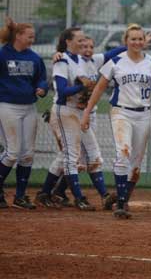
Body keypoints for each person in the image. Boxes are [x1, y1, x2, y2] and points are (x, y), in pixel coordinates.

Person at [36, 36, 126, 209]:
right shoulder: (64, 60)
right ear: (70, 43)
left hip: (83, 113)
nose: (87, 49)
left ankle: (56, 192)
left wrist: (131, 44)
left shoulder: (93, 60)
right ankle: (75, 197)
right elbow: (62, 91)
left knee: (89, 156)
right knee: (71, 156)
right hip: (66, 111)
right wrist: (83, 86)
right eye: (82, 44)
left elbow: (113, 52)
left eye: (90, 46)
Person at [82, 23, 151, 219]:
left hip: (144, 114)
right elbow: (99, 88)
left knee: (136, 164)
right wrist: (86, 113)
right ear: (126, 41)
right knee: (123, 153)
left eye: (140, 38)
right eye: (132, 38)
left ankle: (121, 197)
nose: (137, 42)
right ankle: (122, 204)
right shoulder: (116, 61)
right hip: (121, 112)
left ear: (144, 42)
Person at [0, 17, 48, 209]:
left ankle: (20, 196)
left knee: (27, 154)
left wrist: (42, 88)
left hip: (29, 107)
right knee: (12, 152)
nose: (32, 39)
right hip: (7, 106)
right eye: (29, 36)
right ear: (18, 36)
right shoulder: (3, 55)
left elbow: (41, 79)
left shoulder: (34, 57)